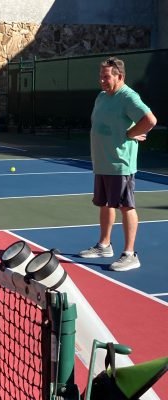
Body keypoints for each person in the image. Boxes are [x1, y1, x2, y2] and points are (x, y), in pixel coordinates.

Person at [78, 57, 157, 271]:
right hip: (102, 163)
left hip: (120, 164)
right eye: (101, 76)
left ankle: (130, 254)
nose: (102, 80)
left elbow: (150, 120)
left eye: (106, 76)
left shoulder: (128, 96)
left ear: (119, 76)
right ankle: (104, 245)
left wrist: (132, 133)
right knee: (105, 204)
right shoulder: (102, 96)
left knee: (126, 206)